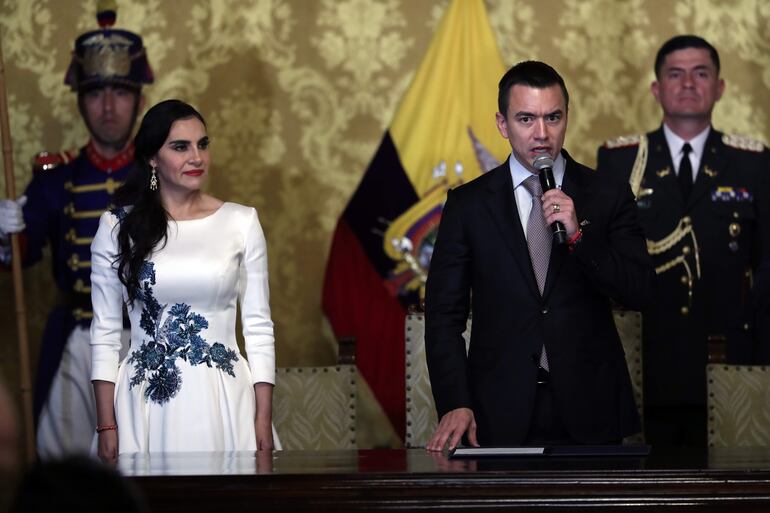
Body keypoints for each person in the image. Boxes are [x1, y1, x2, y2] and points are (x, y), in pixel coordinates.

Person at [424, 61, 653, 450]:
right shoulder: (469, 205)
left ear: (567, 118)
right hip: (496, 409)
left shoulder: (607, 194)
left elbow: (640, 290)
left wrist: (580, 237)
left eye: (553, 117)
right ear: (502, 124)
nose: (542, 134)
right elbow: (444, 315)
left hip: (592, 406)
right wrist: (456, 401)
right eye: (526, 119)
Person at [596, 35, 770, 447]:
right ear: (657, 89)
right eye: (675, 74)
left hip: (730, 361)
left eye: (700, 73)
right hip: (644, 358)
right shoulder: (621, 159)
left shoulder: (753, 162)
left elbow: (766, 266)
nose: (688, 83)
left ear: (720, 87)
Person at [0, 5, 153, 459]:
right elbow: (21, 255)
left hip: (145, 339)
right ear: (79, 101)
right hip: (76, 341)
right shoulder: (55, 177)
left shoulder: (157, 173)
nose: (108, 107)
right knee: (66, 473)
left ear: (140, 99)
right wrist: (5, 235)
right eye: (95, 93)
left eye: (121, 92)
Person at [90, 100, 279, 462]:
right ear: (151, 158)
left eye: (202, 144)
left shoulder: (242, 222)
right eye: (181, 147)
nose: (197, 157)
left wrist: (262, 418)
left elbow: (258, 328)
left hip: (224, 399)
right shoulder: (116, 227)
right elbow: (105, 332)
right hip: (142, 403)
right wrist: (106, 425)